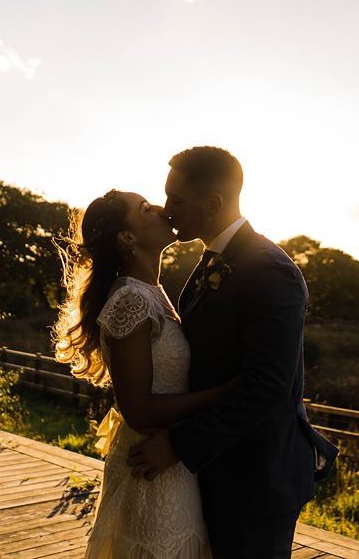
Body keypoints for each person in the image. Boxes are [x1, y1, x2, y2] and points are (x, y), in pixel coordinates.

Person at [128, 146, 329, 559]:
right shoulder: (211, 262)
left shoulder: (269, 269)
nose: (167, 210)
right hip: (217, 468)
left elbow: (268, 384)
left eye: (176, 200)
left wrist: (179, 445)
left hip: (256, 477)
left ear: (214, 203)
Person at [53, 189, 228, 558]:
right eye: (145, 208)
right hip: (153, 469)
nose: (162, 209)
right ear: (127, 238)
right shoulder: (131, 299)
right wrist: (226, 392)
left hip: (170, 463)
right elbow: (139, 410)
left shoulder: (153, 292)